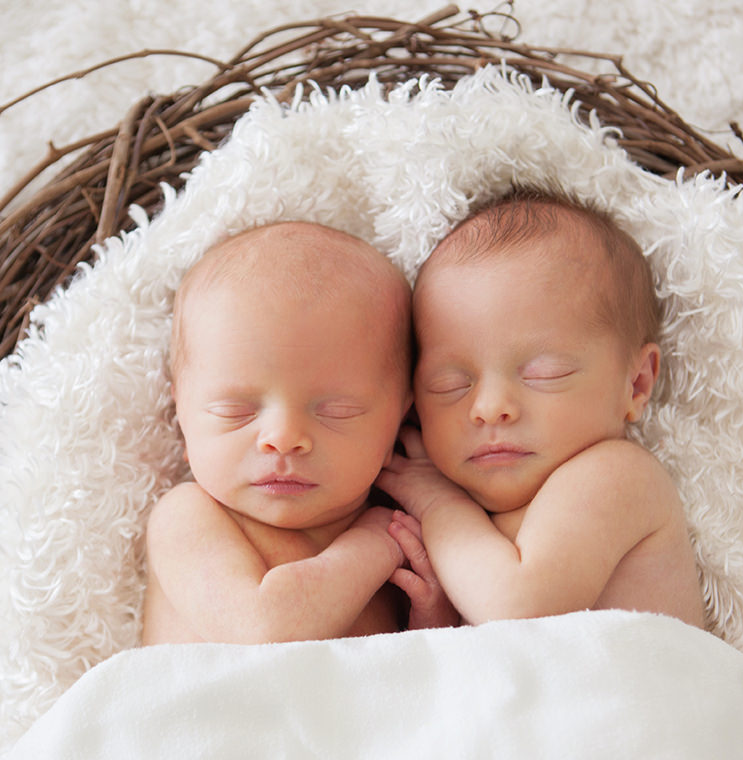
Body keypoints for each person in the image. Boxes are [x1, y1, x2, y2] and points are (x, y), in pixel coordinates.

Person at [379, 189, 707, 629]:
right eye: (450, 385)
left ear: (636, 384)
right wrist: (436, 614)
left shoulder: (616, 475)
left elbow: (518, 608)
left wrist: (438, 503)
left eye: (544, 374)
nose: (489, 408)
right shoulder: (472, 525)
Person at [142, 221, 454, 645]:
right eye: (236, 411)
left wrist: (432, 614)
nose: (284, 438)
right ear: (182, 419)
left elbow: (427, 664)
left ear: (398, 422)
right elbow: (263, 630)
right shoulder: (188, 517)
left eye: (337, 411)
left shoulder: (406, 533)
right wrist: (374, 546)